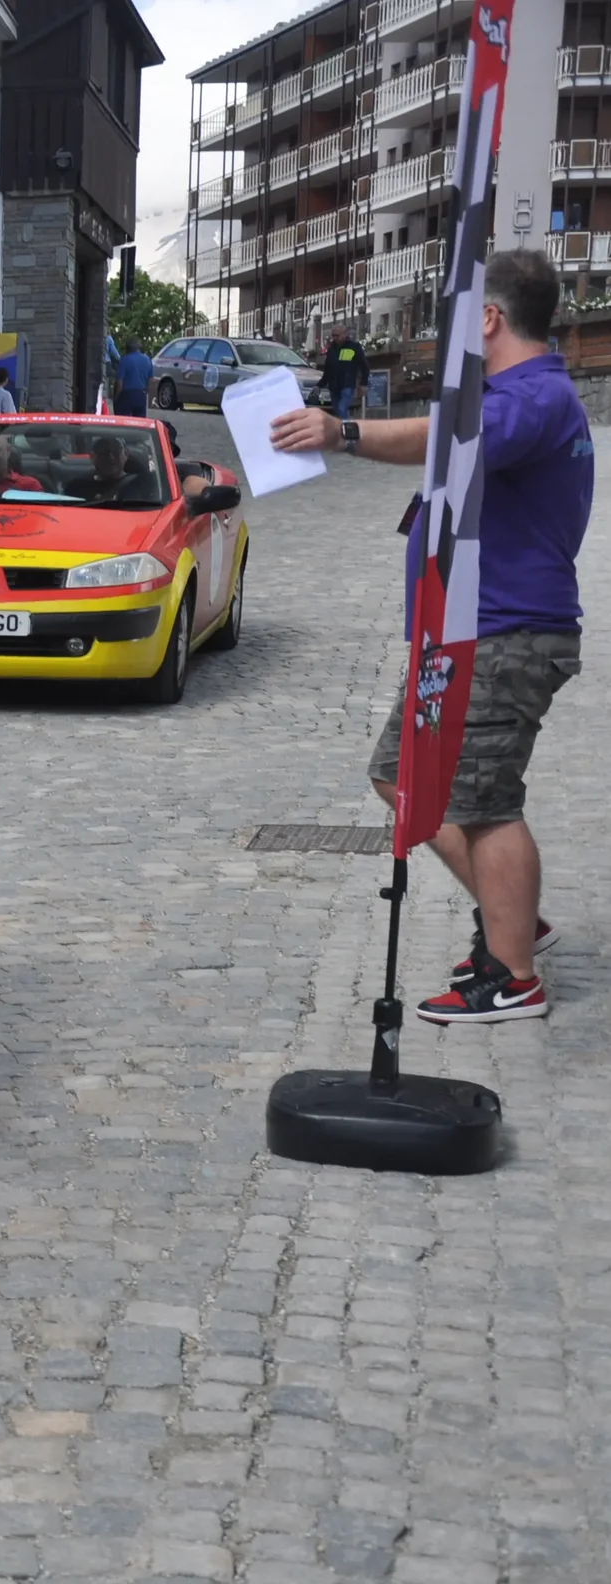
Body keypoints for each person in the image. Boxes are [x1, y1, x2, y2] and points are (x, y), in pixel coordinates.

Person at [269, 247, 586, 1024]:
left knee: (481, 804)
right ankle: (516, 918)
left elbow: (454, 442)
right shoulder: (512, 392)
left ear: (490, 319)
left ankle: (512, 975)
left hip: (504, 632)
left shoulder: (534, 394)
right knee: (400, 777)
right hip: (465, 631)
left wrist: (341, 432)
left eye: (457, 319)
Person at [320, 323, 366, 420]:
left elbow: (364, 365)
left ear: (345, 334)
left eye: (337, 335)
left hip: (347, 385)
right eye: (333, 335)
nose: (335, 338)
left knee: (342, 409)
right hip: (334, 386)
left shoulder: (354, 347)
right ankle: (342, 428)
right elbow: (327, 369)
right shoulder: (332, 349)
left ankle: (345, 430)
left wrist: (364, 383)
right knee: (337, 413)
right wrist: (320, 385)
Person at [115, 339, 154, 418]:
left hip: (126, 396)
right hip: (141, 395)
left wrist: (116, 397)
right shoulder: (147, 360)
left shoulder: (124, 360)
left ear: (127, 349)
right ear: (138, 348)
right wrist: (145, 392)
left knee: (124, 421)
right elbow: (150, 381)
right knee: (140, 423)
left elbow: (119, 383)